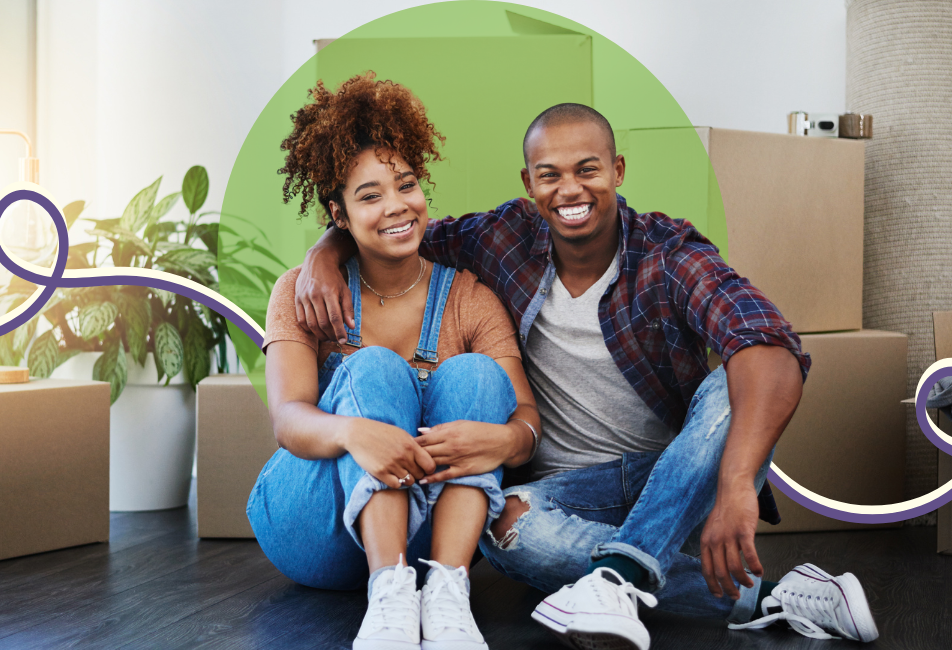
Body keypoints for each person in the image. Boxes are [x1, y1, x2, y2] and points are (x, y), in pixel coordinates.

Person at [293, 102, 879, 649]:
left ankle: (618, 576)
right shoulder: (501, 239)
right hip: (565, 493)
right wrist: (326, 248)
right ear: (528, 185)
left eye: (588, 169)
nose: (569, 189)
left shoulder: (668, 253)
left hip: (677, 476)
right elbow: (397, 231)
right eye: (549, 174)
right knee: (502, 531)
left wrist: (734, 484)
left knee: (736, 378)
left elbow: (771, 344)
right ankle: (767, 596)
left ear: (618, 170)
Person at [246, 73, 542, 650]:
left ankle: (446, 592)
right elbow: (286, 421)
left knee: (477, 376)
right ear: (338, 214)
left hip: (433, 531)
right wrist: (357, 433)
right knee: (376, 367)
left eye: (405, 185)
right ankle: (388, 592)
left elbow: (525, 415)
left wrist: (505, 443)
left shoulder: (469, 298)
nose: (396, 206)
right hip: (315, 525)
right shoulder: (302, 291)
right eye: (369, 195)